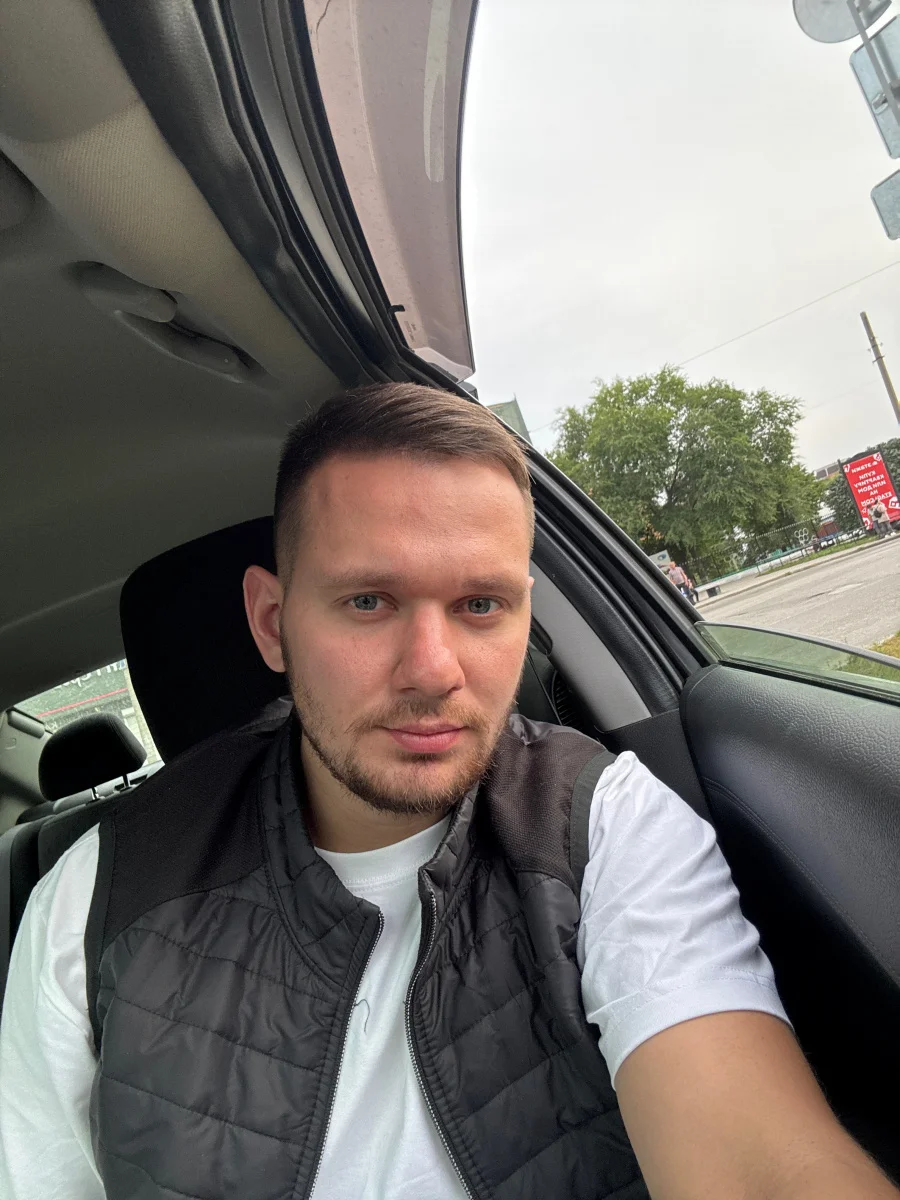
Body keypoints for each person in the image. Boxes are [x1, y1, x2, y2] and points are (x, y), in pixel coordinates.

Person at [1, 384, 896, 1200]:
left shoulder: (602, 823)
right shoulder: (96, 900)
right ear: (273, 624)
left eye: (480, 606)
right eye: (368, 602)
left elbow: (756, 1161)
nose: (433, 671)